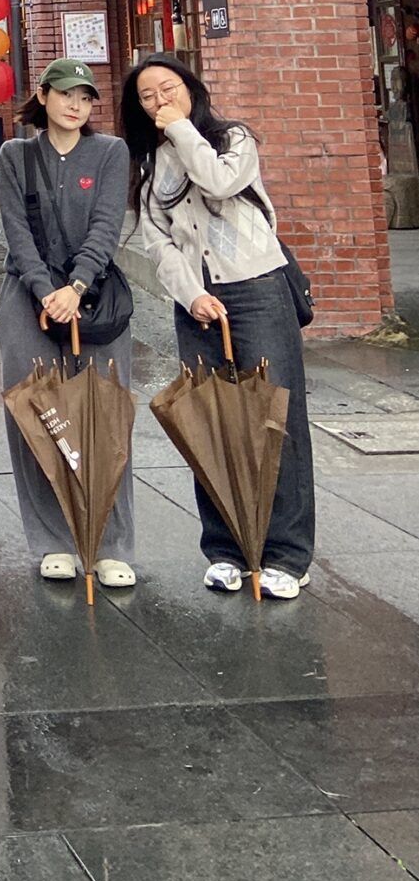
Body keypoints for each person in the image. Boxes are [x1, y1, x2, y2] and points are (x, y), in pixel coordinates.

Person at [120, 54, 315, 600]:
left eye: (167, 89)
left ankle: (287, 555)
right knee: (209, 421)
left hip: (258, 290)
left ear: (191, 89)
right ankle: (226, 549)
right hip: (199, 301)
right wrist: (192, 295)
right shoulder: (149, 163)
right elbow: (157, 241)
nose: (159, 101)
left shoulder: (233, 140)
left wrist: (181, 130)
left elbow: (221, 183)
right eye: (147, 96)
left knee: (277, 420)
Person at [0, 57, 135, 588]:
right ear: (43, 96)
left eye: (85, 96)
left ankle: (110, 543)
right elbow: (15, 232)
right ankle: (52, 540)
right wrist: (44, 291)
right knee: (37, 414)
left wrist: (75, 287)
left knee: (105, 415)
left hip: (94, 296)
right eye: (65, 94)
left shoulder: (111, 152)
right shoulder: (15, 154)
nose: (76, 105)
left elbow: (106, 226)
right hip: (28, 296)